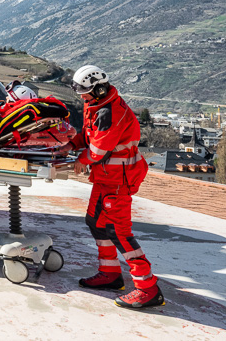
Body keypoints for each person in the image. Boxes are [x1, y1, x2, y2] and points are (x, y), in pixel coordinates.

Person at [70, 65, 165, 309]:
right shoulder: (97, 106)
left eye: (86, 92)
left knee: (118, 231)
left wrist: (81, 160)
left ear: (99, 89)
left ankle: (147, 289)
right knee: (96, 223)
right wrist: (70, 144)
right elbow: (87, 135)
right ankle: (110, 274)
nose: (82, 96)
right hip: (105, 178)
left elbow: (99, 149)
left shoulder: (110, 112)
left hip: (118, 181)